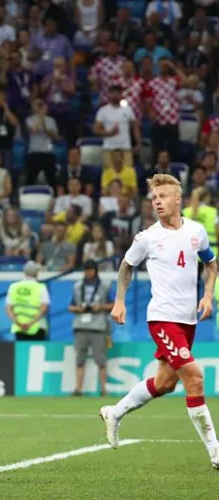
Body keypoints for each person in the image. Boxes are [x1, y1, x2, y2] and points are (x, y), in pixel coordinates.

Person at [101, 174, 219, 470]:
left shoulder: (196, 231)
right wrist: (119, 300)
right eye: (154, 198)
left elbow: (211, 263)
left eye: (163, 196)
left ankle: (115, 412)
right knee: (194, 377)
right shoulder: (147, 237)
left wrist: (207, 296)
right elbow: (126, 265)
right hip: (162, 318)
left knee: (166, 383)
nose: (157, 202)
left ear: (178, 199)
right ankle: (215, 451)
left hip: (187, 319)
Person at [69, 260, 113, 396]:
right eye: (86, 270)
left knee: (101, 359)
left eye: (91, 270)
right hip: (81, 325)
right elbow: (70, 306)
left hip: (99, 326)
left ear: (95, 270)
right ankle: (78, 389)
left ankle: (104, 389)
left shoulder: (104, 286)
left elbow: (112, 305)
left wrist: (100, 307)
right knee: (79, 359)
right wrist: (78, 308)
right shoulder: (77, 286)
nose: (88, 272)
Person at [5, 261, 50, 340]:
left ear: (24, 272)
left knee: (22, 352)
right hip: (37, 327)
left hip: (19, 328)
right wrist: (30, 323)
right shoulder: (41, 287)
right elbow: (44, 308)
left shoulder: (13, 287)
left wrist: (18, 323)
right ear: (36, 273)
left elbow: (8, 309)